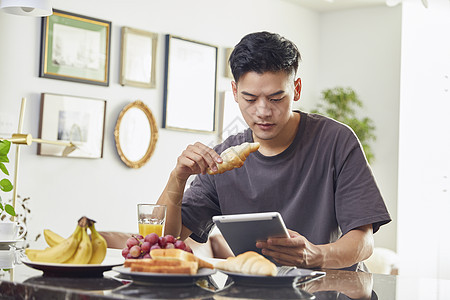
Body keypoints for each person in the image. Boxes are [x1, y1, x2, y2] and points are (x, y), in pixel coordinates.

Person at [157, 31, 391, 271]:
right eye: (250, 98)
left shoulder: (336, 141)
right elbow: (164, 242)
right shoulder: (221, 159)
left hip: (332, 289)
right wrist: (178, 178)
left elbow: (363, 242)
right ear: (235, 92)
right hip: (252, 291)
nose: (263, 111)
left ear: (296, 89)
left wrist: (315, 255)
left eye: (276, 98)